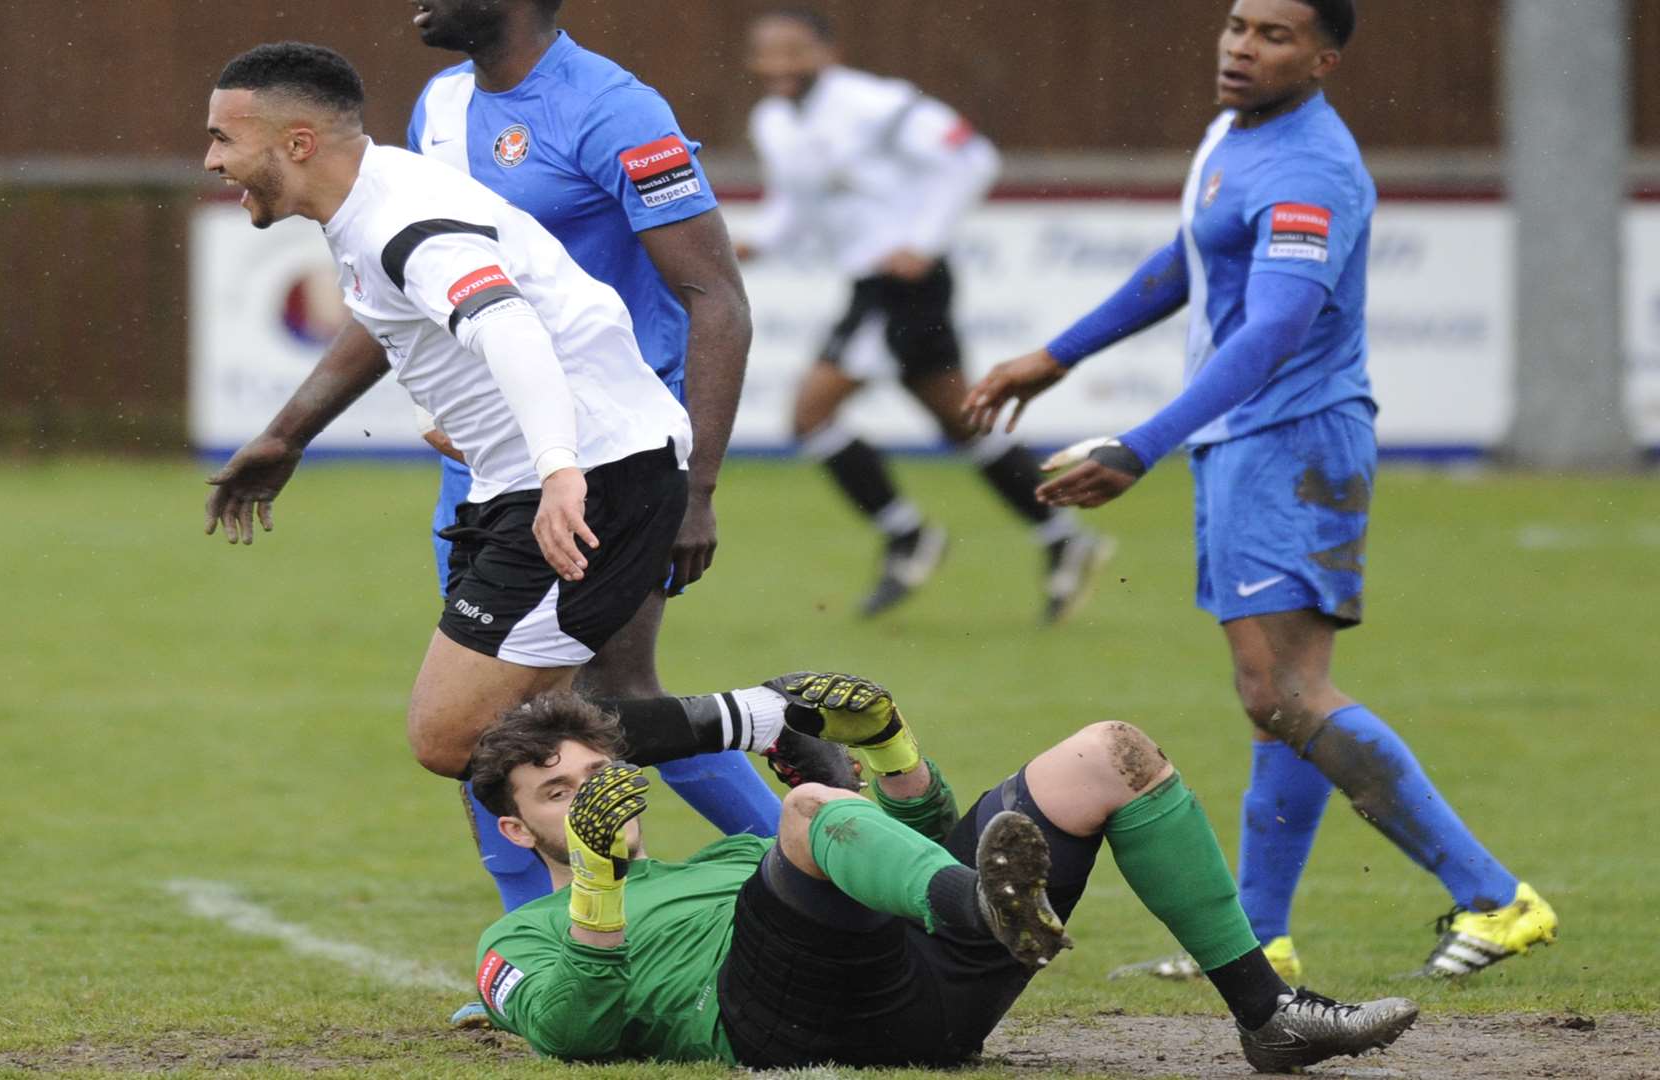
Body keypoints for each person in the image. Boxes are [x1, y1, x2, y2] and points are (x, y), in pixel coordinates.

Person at [963, 0, 1556, 980]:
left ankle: (1496, 898)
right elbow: (1188, 262)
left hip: (1291, 443)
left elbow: (1276, 328)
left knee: (1289, 690)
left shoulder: (1310, 169)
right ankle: (1263, 936)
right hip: (1252, 443)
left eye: (1274, 34)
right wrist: (1056, 356)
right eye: (1238, 24)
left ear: (1324, 58)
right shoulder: (1237, 135)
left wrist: (1144, 443)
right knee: (1271, 697)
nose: (1243, 45)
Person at [198, 42, 853, 863]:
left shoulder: (405, 222)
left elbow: (508, 326)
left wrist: (556, 469)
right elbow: (514, 321)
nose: (212, 159)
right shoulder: (380, 196)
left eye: (224, 138)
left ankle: (770, 719)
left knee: (457, 739)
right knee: (544, 736)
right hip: (573, 470)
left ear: (296, 143)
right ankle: (613, 923)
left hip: (590, 482)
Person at [468, 673, 1419, 1071]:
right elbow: (574, 1036)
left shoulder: (728, 857)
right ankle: (984, 912)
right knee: (810, 812)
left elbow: (900, 844)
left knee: (1109, 752)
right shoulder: (515, 941)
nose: (590, 798)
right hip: (776, 1020)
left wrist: (893, 752)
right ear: (516, 831)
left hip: (920, 983)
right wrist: (592, 879)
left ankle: (1269, 1015)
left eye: (599, 778)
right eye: (557, 794)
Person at [389, 0, 786, 920]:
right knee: (488, 712)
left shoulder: (616, 109)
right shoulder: (439, 105)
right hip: (489, 467)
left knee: (611, 697)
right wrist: (303, 428)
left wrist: (697, 489)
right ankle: (530, 937)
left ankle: (818, 883)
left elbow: (716, 299)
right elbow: (430, 284)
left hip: (613, 461)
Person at [735, 7, 1113, 621]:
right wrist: (755, 244)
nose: (779, 65)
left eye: (793, 51)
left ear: (826, 52)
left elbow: (973, 158)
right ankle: (1062, 537)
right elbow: (795, 205)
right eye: (767, 53)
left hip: (906, 285)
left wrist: (925, 240)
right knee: (961, 419)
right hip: (872, 284)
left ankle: (907, 534)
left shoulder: (875, 104)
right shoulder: (772, 121)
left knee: (810, 414)